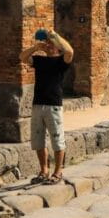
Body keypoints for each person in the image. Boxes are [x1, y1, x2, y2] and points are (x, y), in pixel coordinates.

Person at [20, 29, 74, 185]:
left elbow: (69, 51)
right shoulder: (40, 60)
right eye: (48, 43)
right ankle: (44, 171)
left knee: (57, 139)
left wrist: (55, 36)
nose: (49, 46)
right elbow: (22, 57)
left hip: (53, 105)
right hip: (37, 104)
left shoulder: (61, 62)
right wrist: (36, 47)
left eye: (52, 44)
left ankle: (58, 172)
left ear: (58, 47)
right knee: (38, 140)